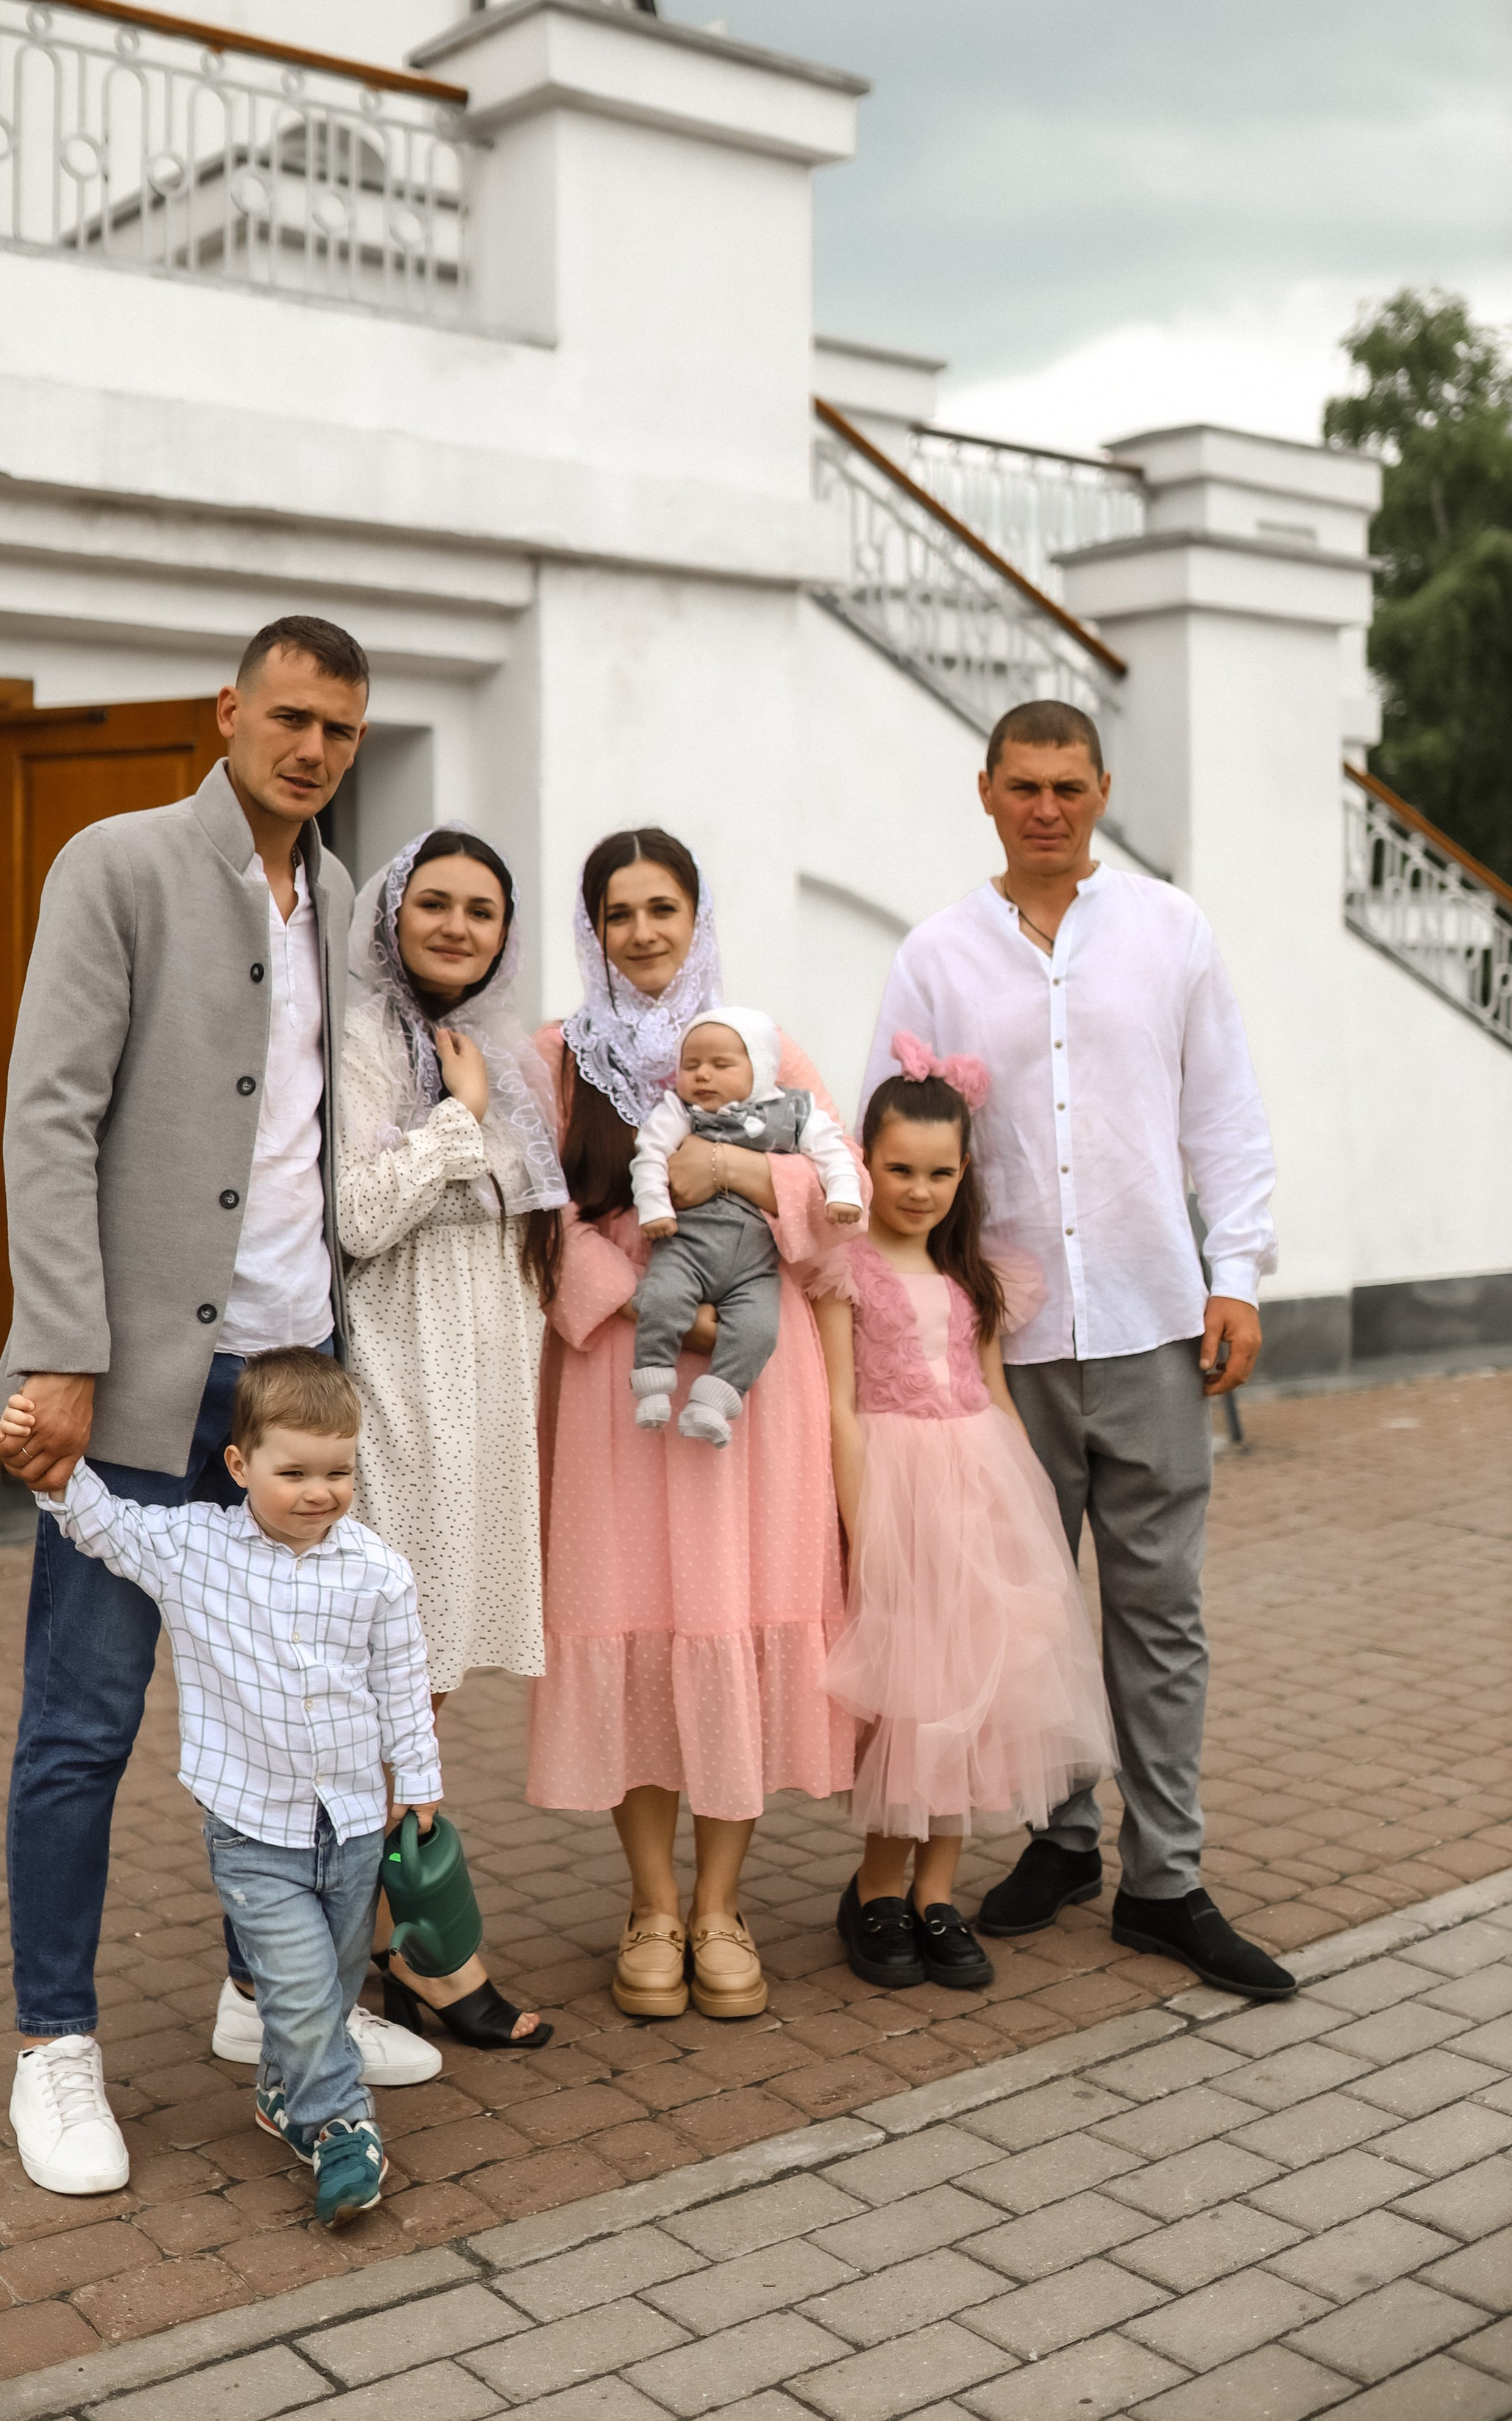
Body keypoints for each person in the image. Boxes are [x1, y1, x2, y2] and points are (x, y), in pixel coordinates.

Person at [0, 613, 436, 2202]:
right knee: (84, 1728)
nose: (312, 748)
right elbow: (46, 1119)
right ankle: (55, 2046)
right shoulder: (117, 863)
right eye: (291, 717)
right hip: (134, 1386)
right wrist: (59, 1351)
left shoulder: (336, 904)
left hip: (283, 1383)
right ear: (230, 710)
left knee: (296, 1723)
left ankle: (270, 2009)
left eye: (341, 729)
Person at [863, 697, 1294, 2001]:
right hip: (1002, 1340)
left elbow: (1223, 1110)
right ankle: (1058, 1842)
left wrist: (1239, 1276)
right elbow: (898, 1134)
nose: (1047, 807)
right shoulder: (936, 953)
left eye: (1070, 786)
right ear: (985, 791)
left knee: (1158, 1612)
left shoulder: (1172, 931)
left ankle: (1164, 1876)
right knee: (1027, 1609)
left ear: (1102, 789)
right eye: (1024, 786)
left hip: (1156, 1319)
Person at [0, 1349, 439, 2229]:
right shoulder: (195, 1547)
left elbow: (402, 1682)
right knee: (306, 1989)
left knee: (334, 1984)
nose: (320, 1492)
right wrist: (47, 1454)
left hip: (349, 1824)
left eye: (339, 1472)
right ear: (238, 1467)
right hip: (252, 1826)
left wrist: (417, 1780)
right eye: (295, 1472)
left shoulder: (379, 1571)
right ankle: (337, 2130)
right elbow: (103, 1525)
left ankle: (282, 2083)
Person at [528, 830, 857, 2024]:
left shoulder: (764, 1045)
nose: (645, 933)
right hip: (623, 1381)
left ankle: (723, 1905)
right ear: (594, 930)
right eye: (620, 914)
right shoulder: (555, 1060)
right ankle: (651, 1904)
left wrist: (725, 1170)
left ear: (698, 916)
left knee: (729, 1616)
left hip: (752, 1399)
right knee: (639, 1623)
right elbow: (535, 1224)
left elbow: (839, 1196)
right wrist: (648, 1303)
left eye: (664, 907)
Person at [816, 1046, 1114, 1996]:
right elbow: (837, 1407)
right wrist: (866, 1534)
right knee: (914, 1701)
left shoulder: (975, 1276)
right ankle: (875, 1892)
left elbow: (995, 1399)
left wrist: (1023, 1517)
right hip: (897, 1495)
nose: (920, 1189)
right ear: (865, 1160)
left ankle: (938, 1895)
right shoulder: (846, 1267)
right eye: (900, 1169)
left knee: (976, 1705)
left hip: (977, 1497)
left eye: (940, 1172)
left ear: (964, 1172)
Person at [336, 824, 563, 2050]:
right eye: (437, 902)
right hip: (403, 1367)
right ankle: (433, 1956)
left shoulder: (494, 1050)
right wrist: (459, 1120)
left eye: (483, 910)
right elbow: (364, 1215)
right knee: (395, 1676)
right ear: (392, 913)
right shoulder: (368, 1038)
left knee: (421, 1679)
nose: (460, 927)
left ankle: (396, 1947)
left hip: (484, 1375)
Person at [631, 1005, 862, 1445]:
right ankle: (654, 1380)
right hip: (686, 1245)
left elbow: (834, 1152)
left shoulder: (795, 1108)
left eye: (721, 1065)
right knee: (661, 1297)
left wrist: (843, 1193)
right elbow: (650, 1155)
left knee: (759, 1331)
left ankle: (715, 1401)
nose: (702, 1076)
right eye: (691, 1065)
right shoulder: (680, 1110)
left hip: (756, 1263)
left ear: (761, 1068)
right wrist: (655, 1207)